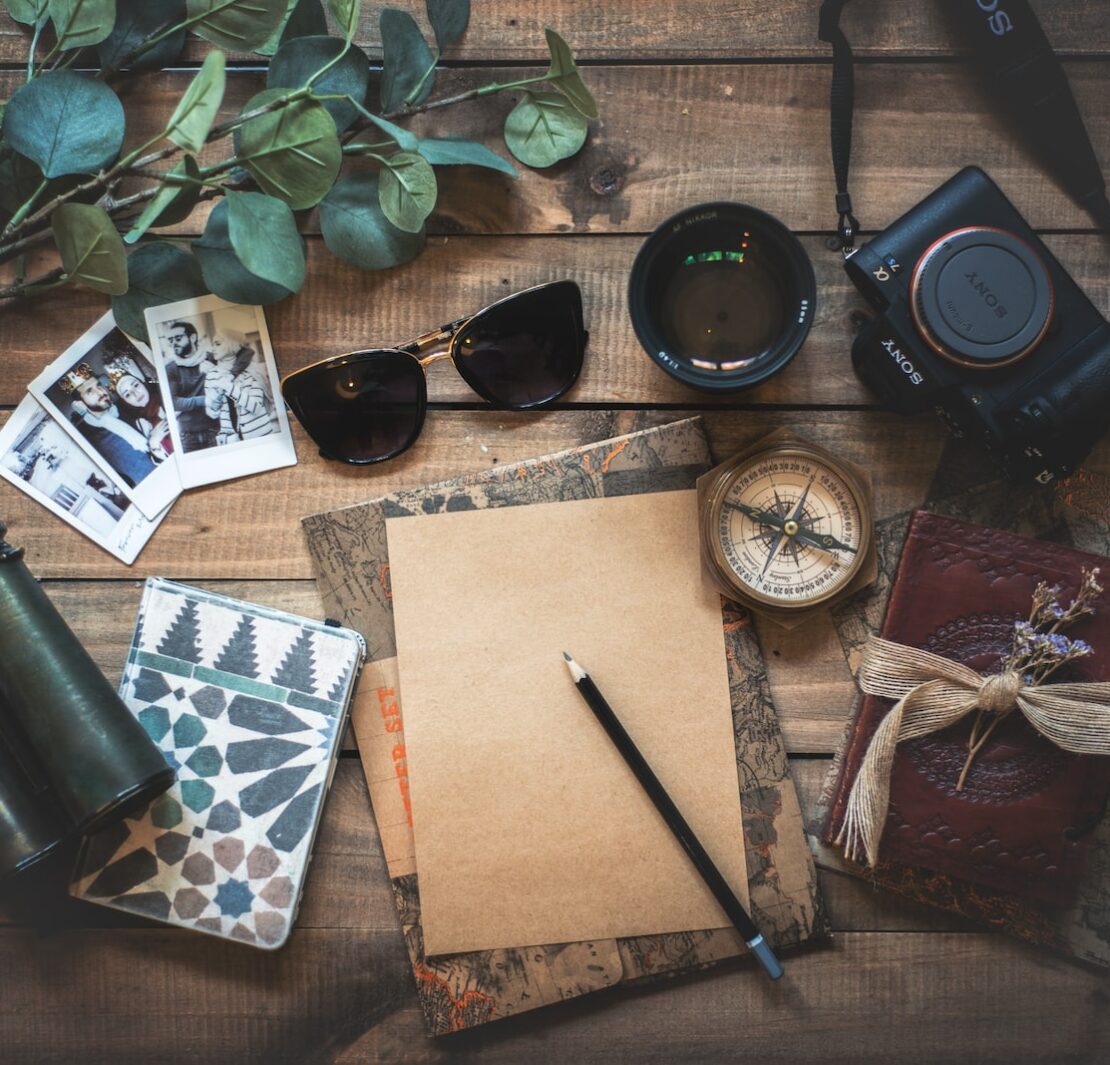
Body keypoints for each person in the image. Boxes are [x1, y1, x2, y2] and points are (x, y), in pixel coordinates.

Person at [58, 363, 156, 488]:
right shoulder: (92, 440)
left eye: (98, 385)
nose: (100, 392)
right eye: (89, 391)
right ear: (80, 404)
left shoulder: (125, 405)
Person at [202, 332, 275, 444]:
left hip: (260, 436)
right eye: (213, 344)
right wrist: (214, 405)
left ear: (233, 345)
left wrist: (228, 386)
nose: (213, 348)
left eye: (218, 344)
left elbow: (255, 406)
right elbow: (212, 414)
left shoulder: (252, 370)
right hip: (231, 441)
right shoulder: (211, 375)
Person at [163, 320, 219, 451]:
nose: (173, 343)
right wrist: (204, 400)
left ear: (192, 337)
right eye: (170, 340)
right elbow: (173, 402)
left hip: (216, 427)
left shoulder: (212, 358)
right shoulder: (171, 368)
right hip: (188, 434)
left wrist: (215, 372)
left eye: (178, 338)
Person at [107, 360, 173, 462]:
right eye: (127, 394)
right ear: (126, 402)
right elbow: (159, 462)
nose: (135, 393)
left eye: (136, 385)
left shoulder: (169, 395)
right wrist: (154, 443)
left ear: (143, 384)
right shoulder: (138, 425)